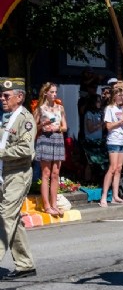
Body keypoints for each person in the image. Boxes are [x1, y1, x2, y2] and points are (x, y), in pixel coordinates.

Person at [0, 77, 38, 280]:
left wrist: (1, 151)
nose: (2, 99)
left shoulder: (26, 119)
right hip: (3, 174)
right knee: (14, 219)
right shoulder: (4, 116)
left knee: (5, 216)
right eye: (1, 95)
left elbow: (26, 149)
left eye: (6, 95)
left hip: (18, 174)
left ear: (19, 97)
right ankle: (25, 264)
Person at [33, 82, 68, 216]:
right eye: (52, 92)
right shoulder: (39, 109)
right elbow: (33, 127)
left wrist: (57, 128)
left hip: (58, 138)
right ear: (45, 93)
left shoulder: (60, 108)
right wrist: (43, 125)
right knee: (46, 174)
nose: (54, 95)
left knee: (55, 174)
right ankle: (47, 205)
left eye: (55, 92)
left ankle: (54, 204)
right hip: (45, 139)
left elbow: (65, 126)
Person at [99, 82, 123, 207]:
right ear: (115, 96)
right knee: (112, 168)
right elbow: (108, 126)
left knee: (119, 168)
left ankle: (115, 196)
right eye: (120, 95)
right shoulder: (109, 109)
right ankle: (104, 196)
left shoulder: (120, 109)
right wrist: (122, 121)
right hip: (113, 140)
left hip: (121, 140)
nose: (122, 98)